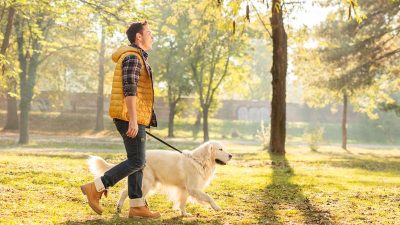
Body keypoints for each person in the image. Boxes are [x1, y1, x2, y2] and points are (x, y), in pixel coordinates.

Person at [80, 21, 160, 219]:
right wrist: (133, 120)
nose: (152, 36)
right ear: (138, 37)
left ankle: (137, 207)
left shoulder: (137, 56)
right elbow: (129, 89)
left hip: (135, 117)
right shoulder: (133, 57)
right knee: (138, 160)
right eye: (149, 33)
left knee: (139, 162)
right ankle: (96, 187)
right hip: (129, 117)